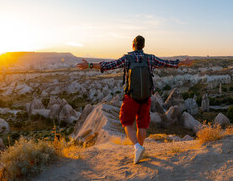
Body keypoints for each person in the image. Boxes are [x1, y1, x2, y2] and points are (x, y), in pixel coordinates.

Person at [77, 35, 193, 164]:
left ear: (133, 45)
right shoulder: (150, 58)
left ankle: (137, 147)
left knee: (126, 122)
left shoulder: (127, 58)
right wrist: (184, 62)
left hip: (131, 97)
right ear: (143, 46)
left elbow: (108, 65)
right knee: (142, 125)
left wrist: (90, 65)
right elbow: (168, 63)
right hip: (146, 97)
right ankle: (139, 151)